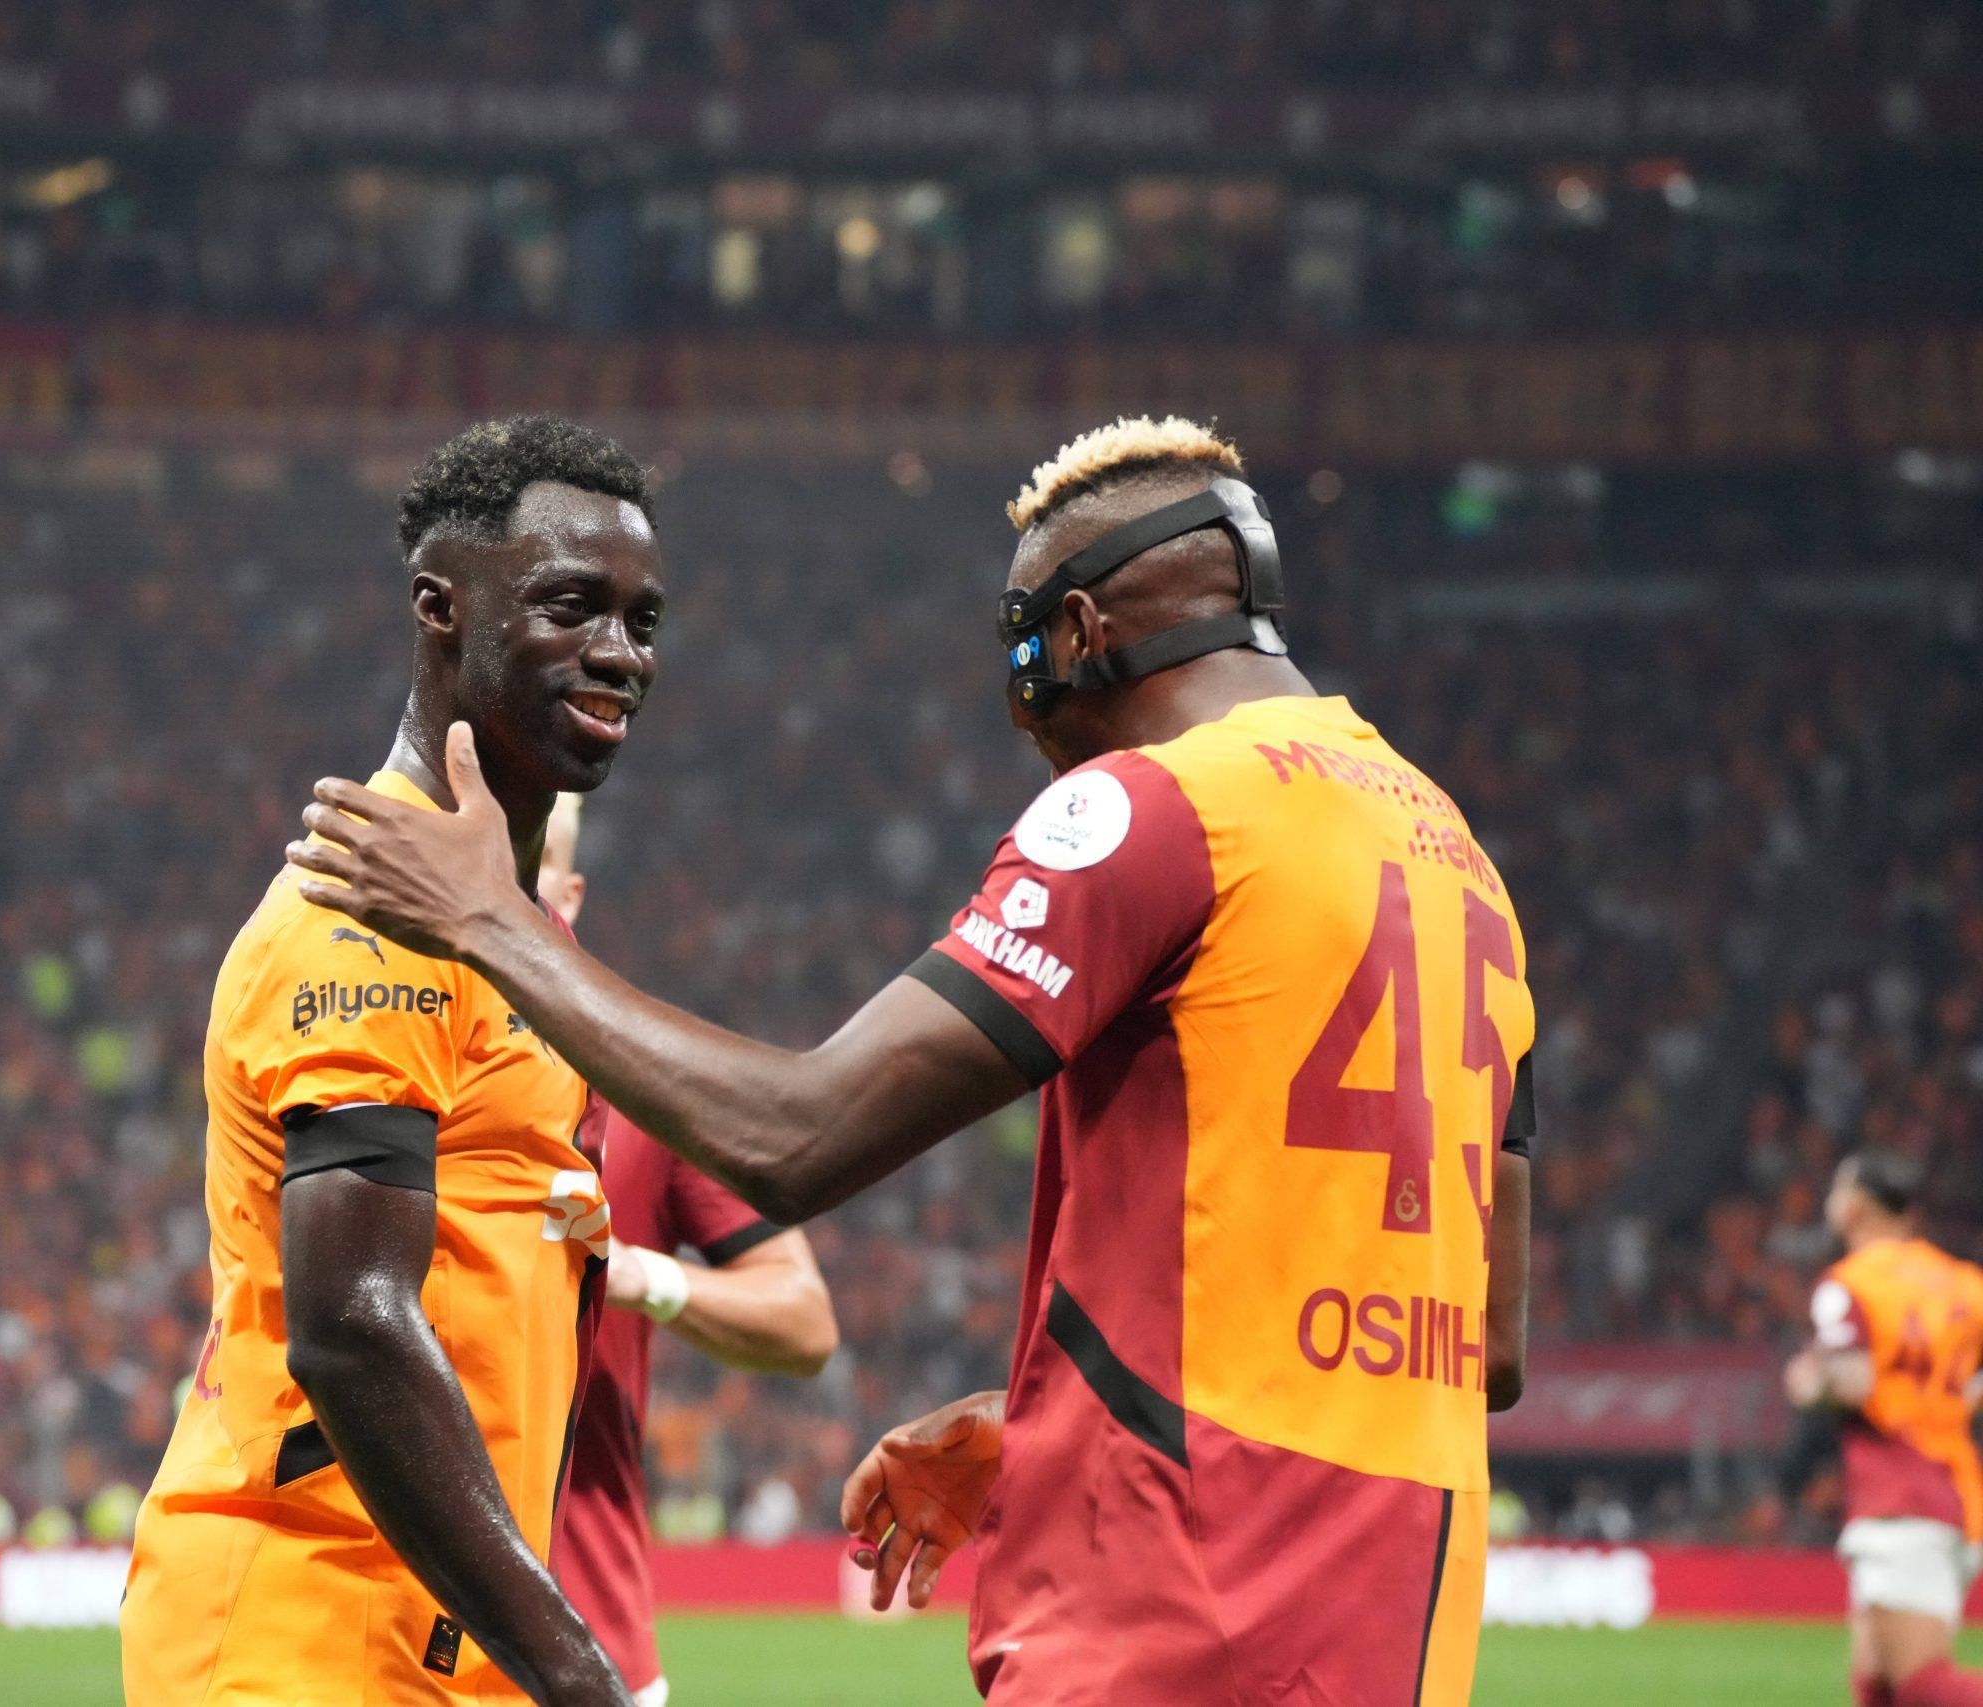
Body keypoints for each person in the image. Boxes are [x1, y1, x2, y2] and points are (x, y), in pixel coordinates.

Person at [286, 415, 1538, 1706]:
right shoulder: (1459, 868)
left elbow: (799, 1135)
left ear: (1081, 636)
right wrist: (1056, 1425)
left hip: (1167, 1613)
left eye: (1019, 645)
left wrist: (488, 913)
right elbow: (1484, 1343)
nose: (1019, 704)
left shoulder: (1155, 808)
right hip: (1395, 1619)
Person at [119, 416, 665, 1707]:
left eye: (644, 619)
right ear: (440, 609)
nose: (621, 652)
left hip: (435, 1631)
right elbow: (353, 1326)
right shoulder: (371, 913)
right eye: (570, 606)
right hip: (301, 1630)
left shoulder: (498, 930)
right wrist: (581, 1668)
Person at [536, 794, 839, 1707]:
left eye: (531, 850)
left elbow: (804, 1318)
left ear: (571, 891)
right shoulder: (368, 1067)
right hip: (377, 1639)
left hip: (591, 1646)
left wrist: (642, 1277)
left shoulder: (640, 1084)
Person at [1786, 1150, 1983, 1707]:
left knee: (1922, 1685)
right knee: (1876, 1684)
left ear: (1855, 1206)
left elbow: (1851, 1382)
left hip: (1900, 1497)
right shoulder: (1962, 1280)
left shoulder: (1849, 1285)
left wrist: (1808, 1380)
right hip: (1956, 1493)